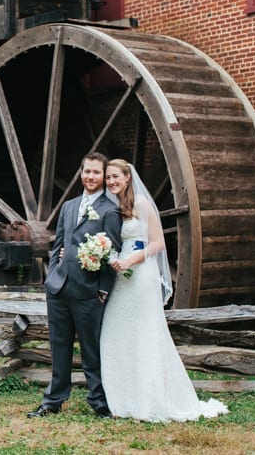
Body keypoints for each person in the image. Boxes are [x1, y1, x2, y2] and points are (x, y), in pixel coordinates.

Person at [101, 159, 228, 421]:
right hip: (120, 275)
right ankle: (120, 398)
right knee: (116, 332)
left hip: (140, 275)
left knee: (145, 333)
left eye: (115, 177)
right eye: (108, 178)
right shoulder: (113, 207)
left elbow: (158, 244)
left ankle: (150, 399)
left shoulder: (143, 204)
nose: (111, 182)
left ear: (127, 177)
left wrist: (131, 260)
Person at [27, 152, 122, 418]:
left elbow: (113, 251)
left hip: (89, 291)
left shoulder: (110, 210)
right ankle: (52, 402)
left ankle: (99, 402)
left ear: (103, 177)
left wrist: (103, 289)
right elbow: (59, 244)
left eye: (96, 173)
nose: (91, 177)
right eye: (87, 171)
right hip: (59, 288)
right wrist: (53, 276)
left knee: (91, 349)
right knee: (59, 346)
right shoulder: (68, 206)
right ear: (81, 173)